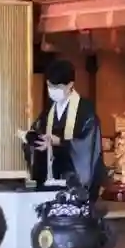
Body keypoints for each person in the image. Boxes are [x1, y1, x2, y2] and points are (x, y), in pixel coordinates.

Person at [23, 60, 107, 199]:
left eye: (57, 87)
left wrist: (60, 141)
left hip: (74, 178)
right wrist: (36, 141)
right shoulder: (49, 109)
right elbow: (38, 131)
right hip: (50, 178)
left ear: (70, 85)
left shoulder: (85, 111)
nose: (52, 90)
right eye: (50, 86)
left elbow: (87, 146)